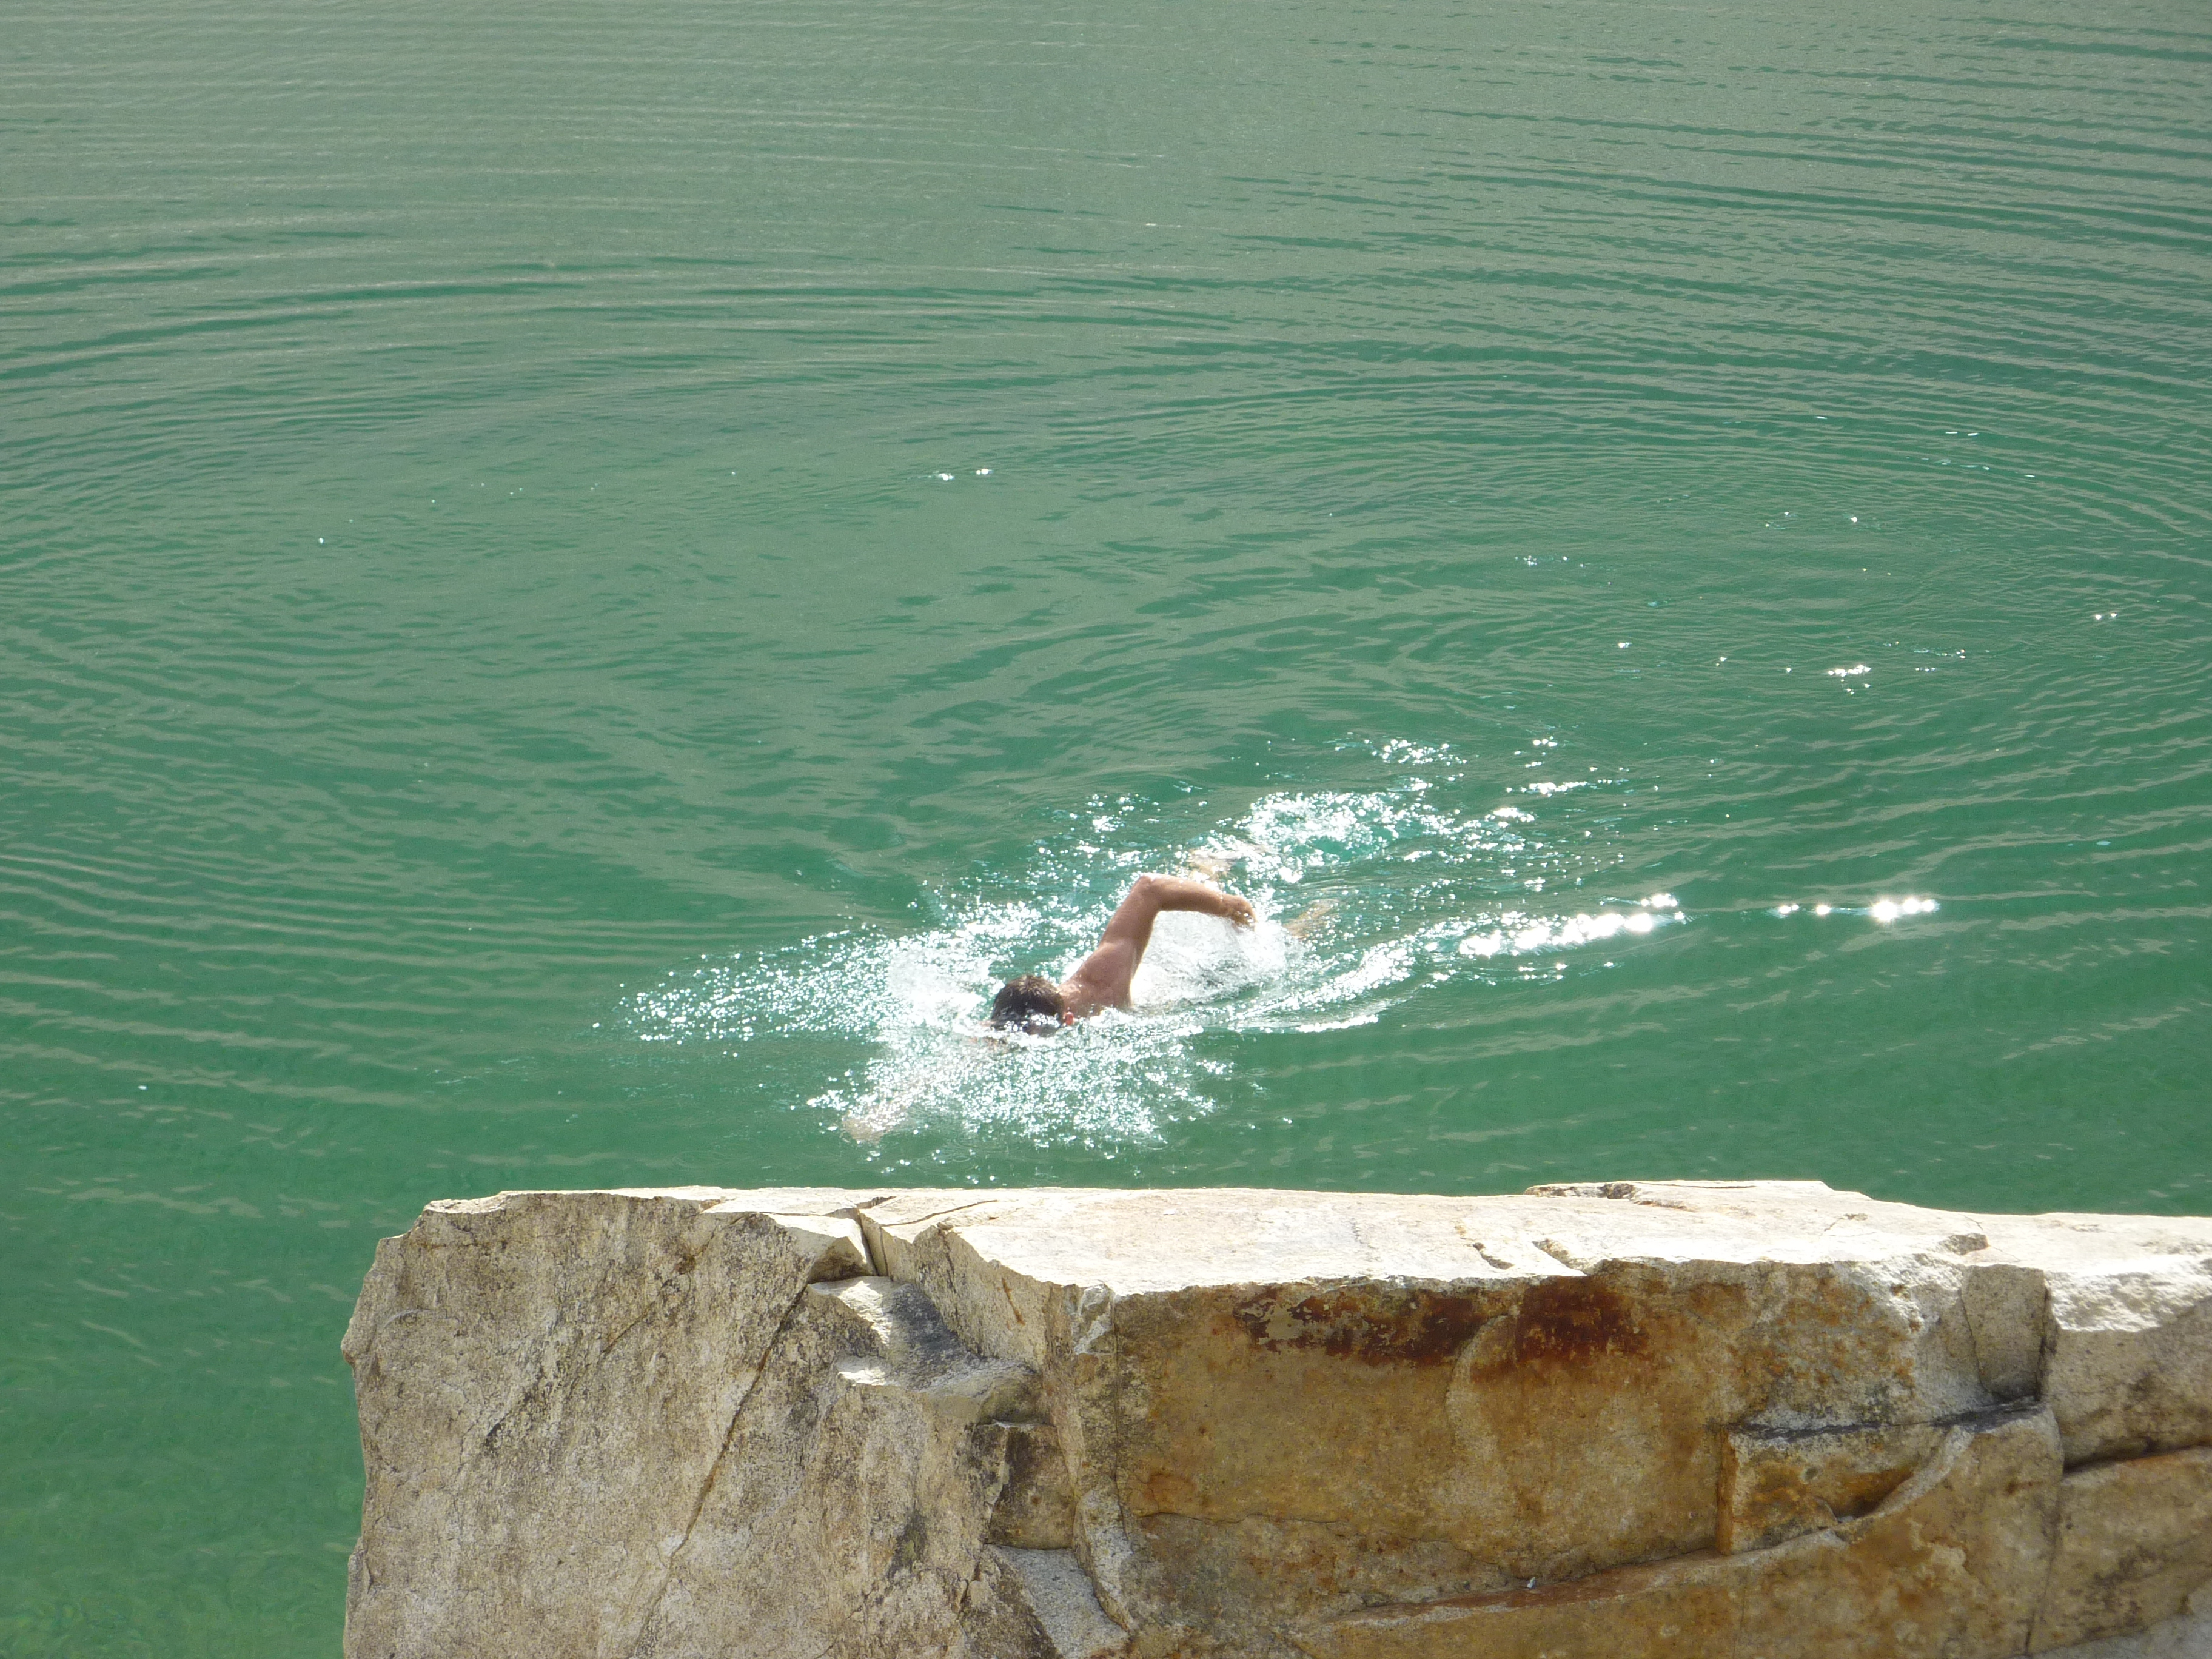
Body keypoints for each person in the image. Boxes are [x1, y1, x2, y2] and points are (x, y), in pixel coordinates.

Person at [990, 874, 1256, 1030]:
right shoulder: (1004, 1025)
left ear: (1068, 1020)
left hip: (1182, 973)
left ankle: (1211, 869)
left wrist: (1228, 907)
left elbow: (1150, 888)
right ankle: (1206, 868)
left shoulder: (1102, 986)